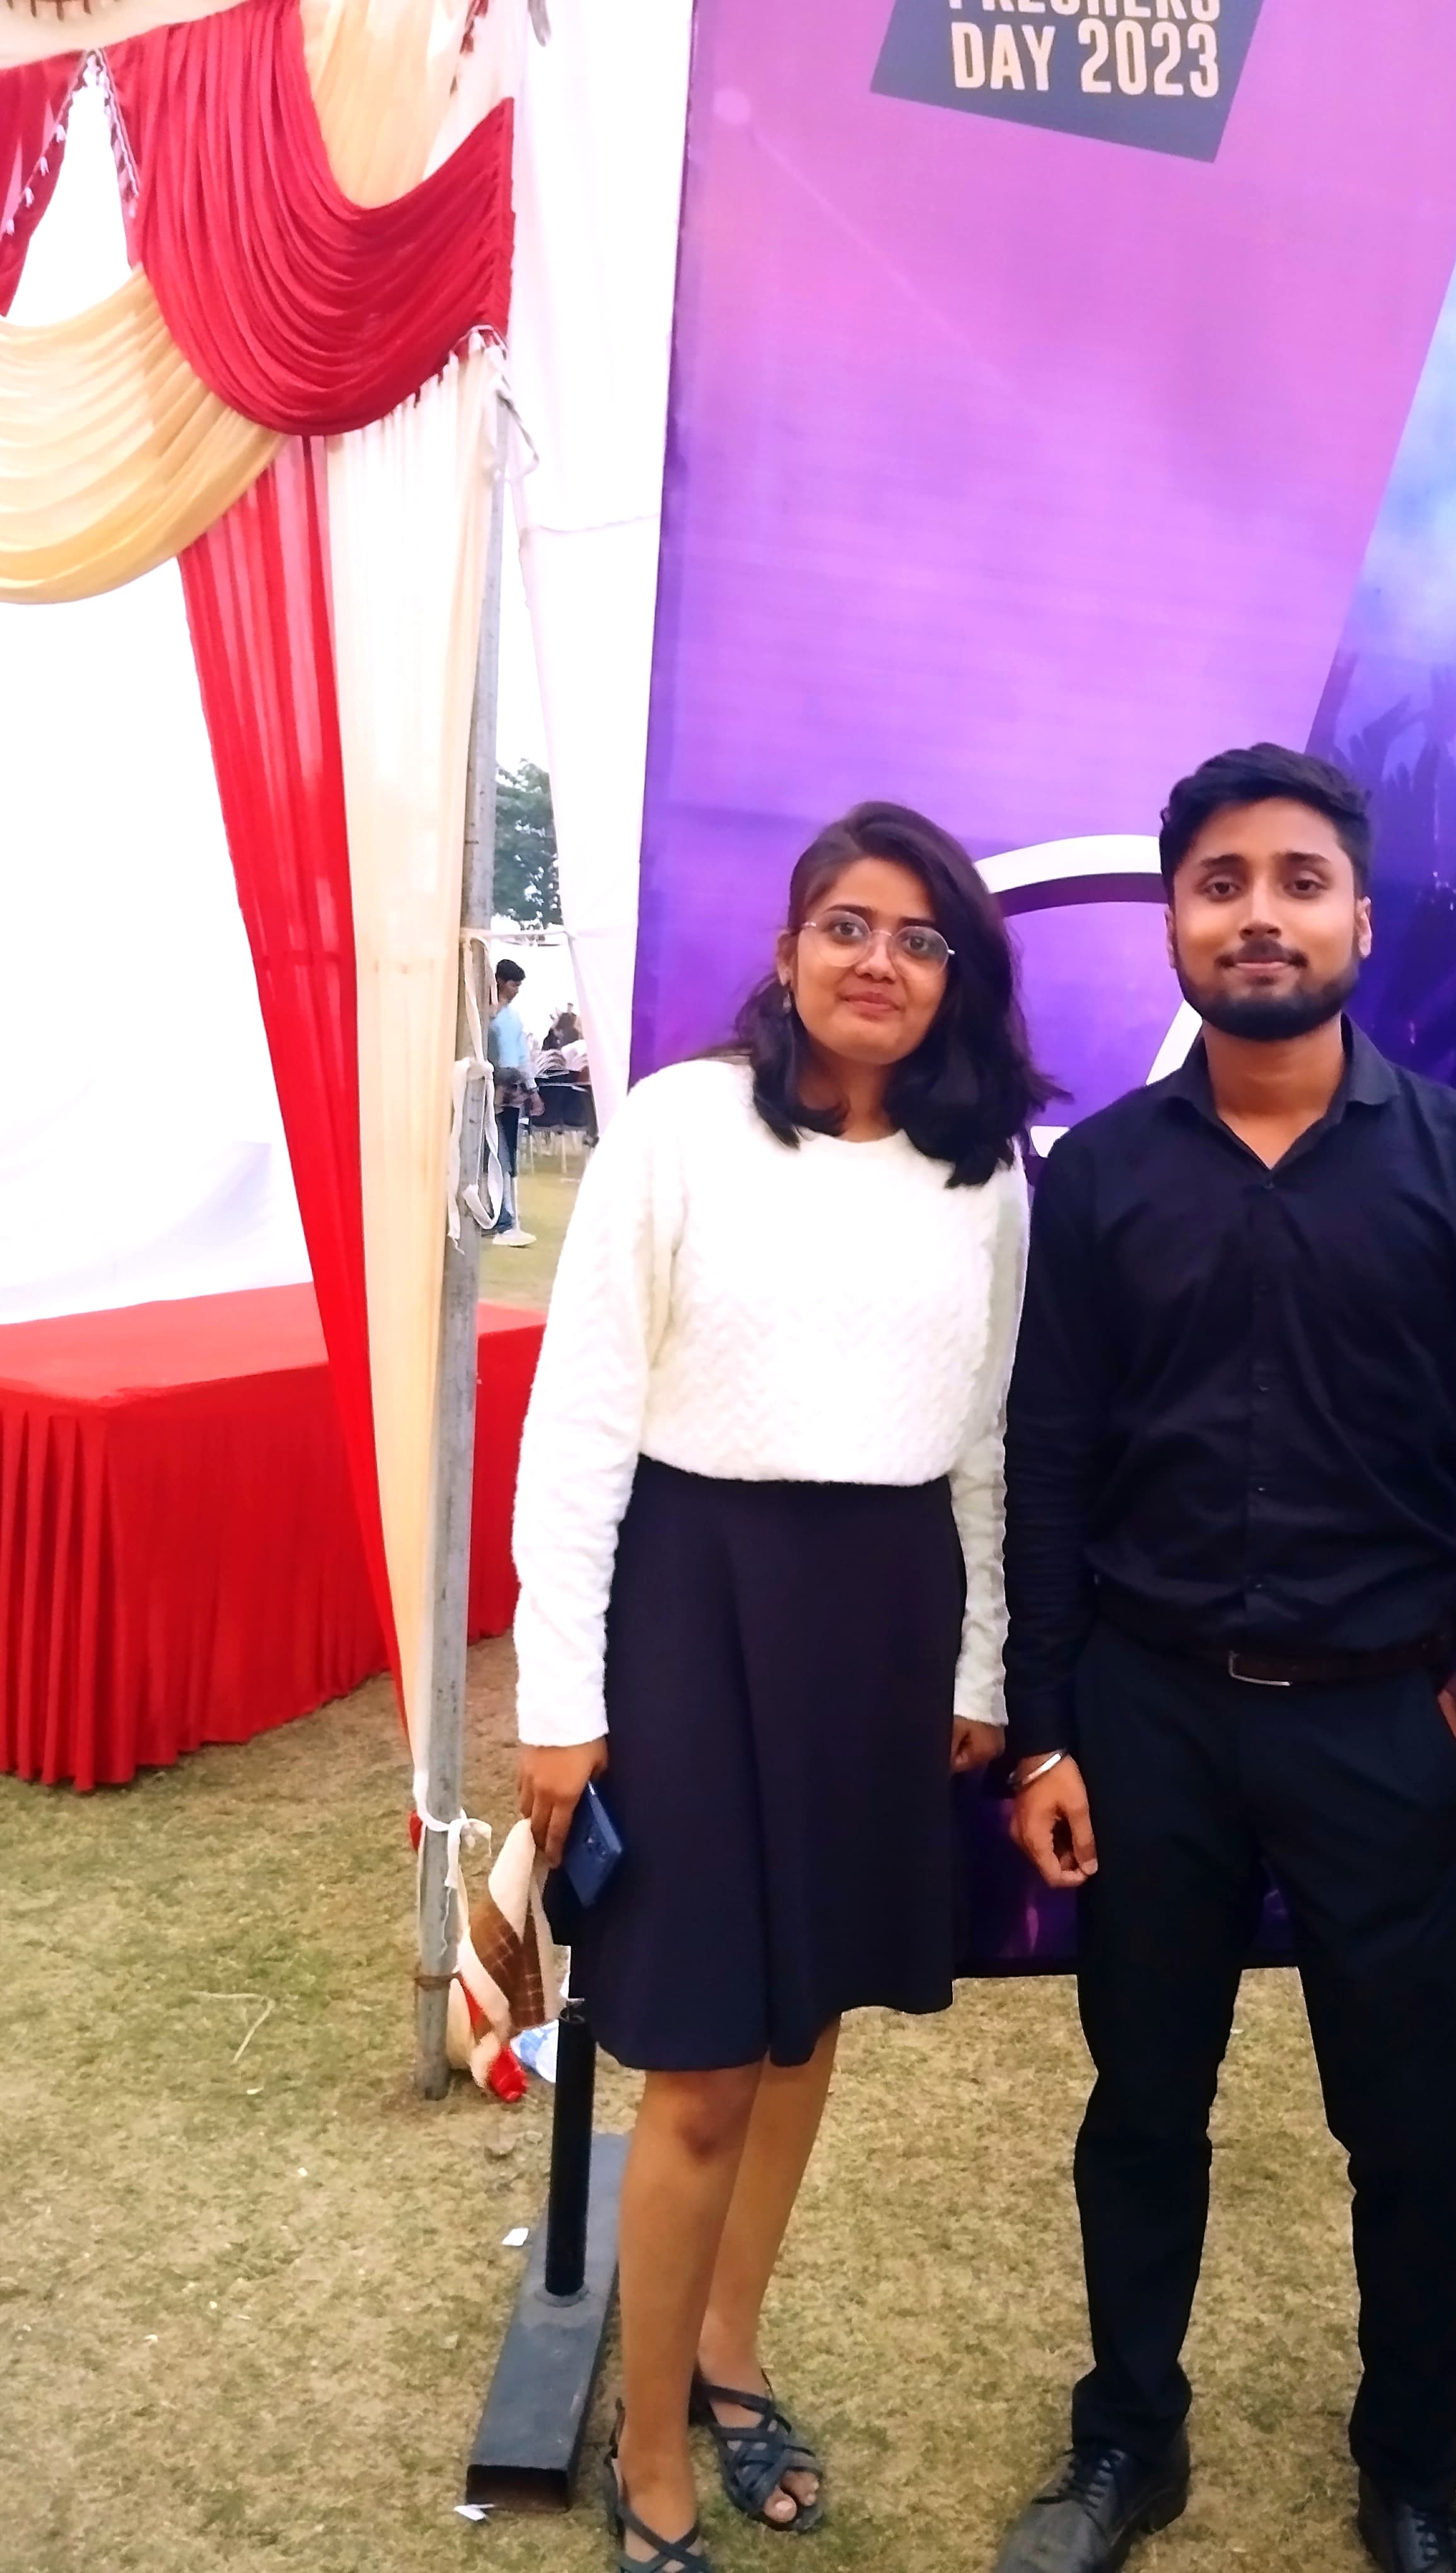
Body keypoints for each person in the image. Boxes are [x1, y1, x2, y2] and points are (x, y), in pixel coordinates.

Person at [991, 745, 1456, 2573]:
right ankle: (1127, 2440)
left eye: (1294, 879)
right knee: (1142, 2106)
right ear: (1174, 921)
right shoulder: (1101, 1177)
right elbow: (1047, 1461)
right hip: (1150, 1719)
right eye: (1218, 883)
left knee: (1413, 2131)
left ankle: (1412, 2474)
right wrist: (1044, 1733)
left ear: (1358, 913)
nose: (1256, 914)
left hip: (1390, 1727)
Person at [511, 802, 1051, 2573]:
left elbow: (985, 1447)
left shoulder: (985, 1178)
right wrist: (559, 1698)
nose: (877, 961)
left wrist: (979, 1662)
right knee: (699, 2064)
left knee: (805, 2020)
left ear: (953, 975)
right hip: (690, 1607)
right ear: (788, 947)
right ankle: (650, 2438)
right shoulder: (679, 1126)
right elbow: (581, 1421)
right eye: (846, 924)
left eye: (915, 936)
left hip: (883, 1622)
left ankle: (728, 2352)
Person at [489, 958, 542, 1247]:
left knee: (508, 1151)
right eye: (513, 985)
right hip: (491, 1088)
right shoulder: (488, 1015)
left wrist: (533, 1090)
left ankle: (507, 1215)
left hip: (512, 1089)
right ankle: (500, 1217)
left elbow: (523, 1057)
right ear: (500, 981)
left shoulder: (514, 1017)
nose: (517, 990)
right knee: (495, 1153)